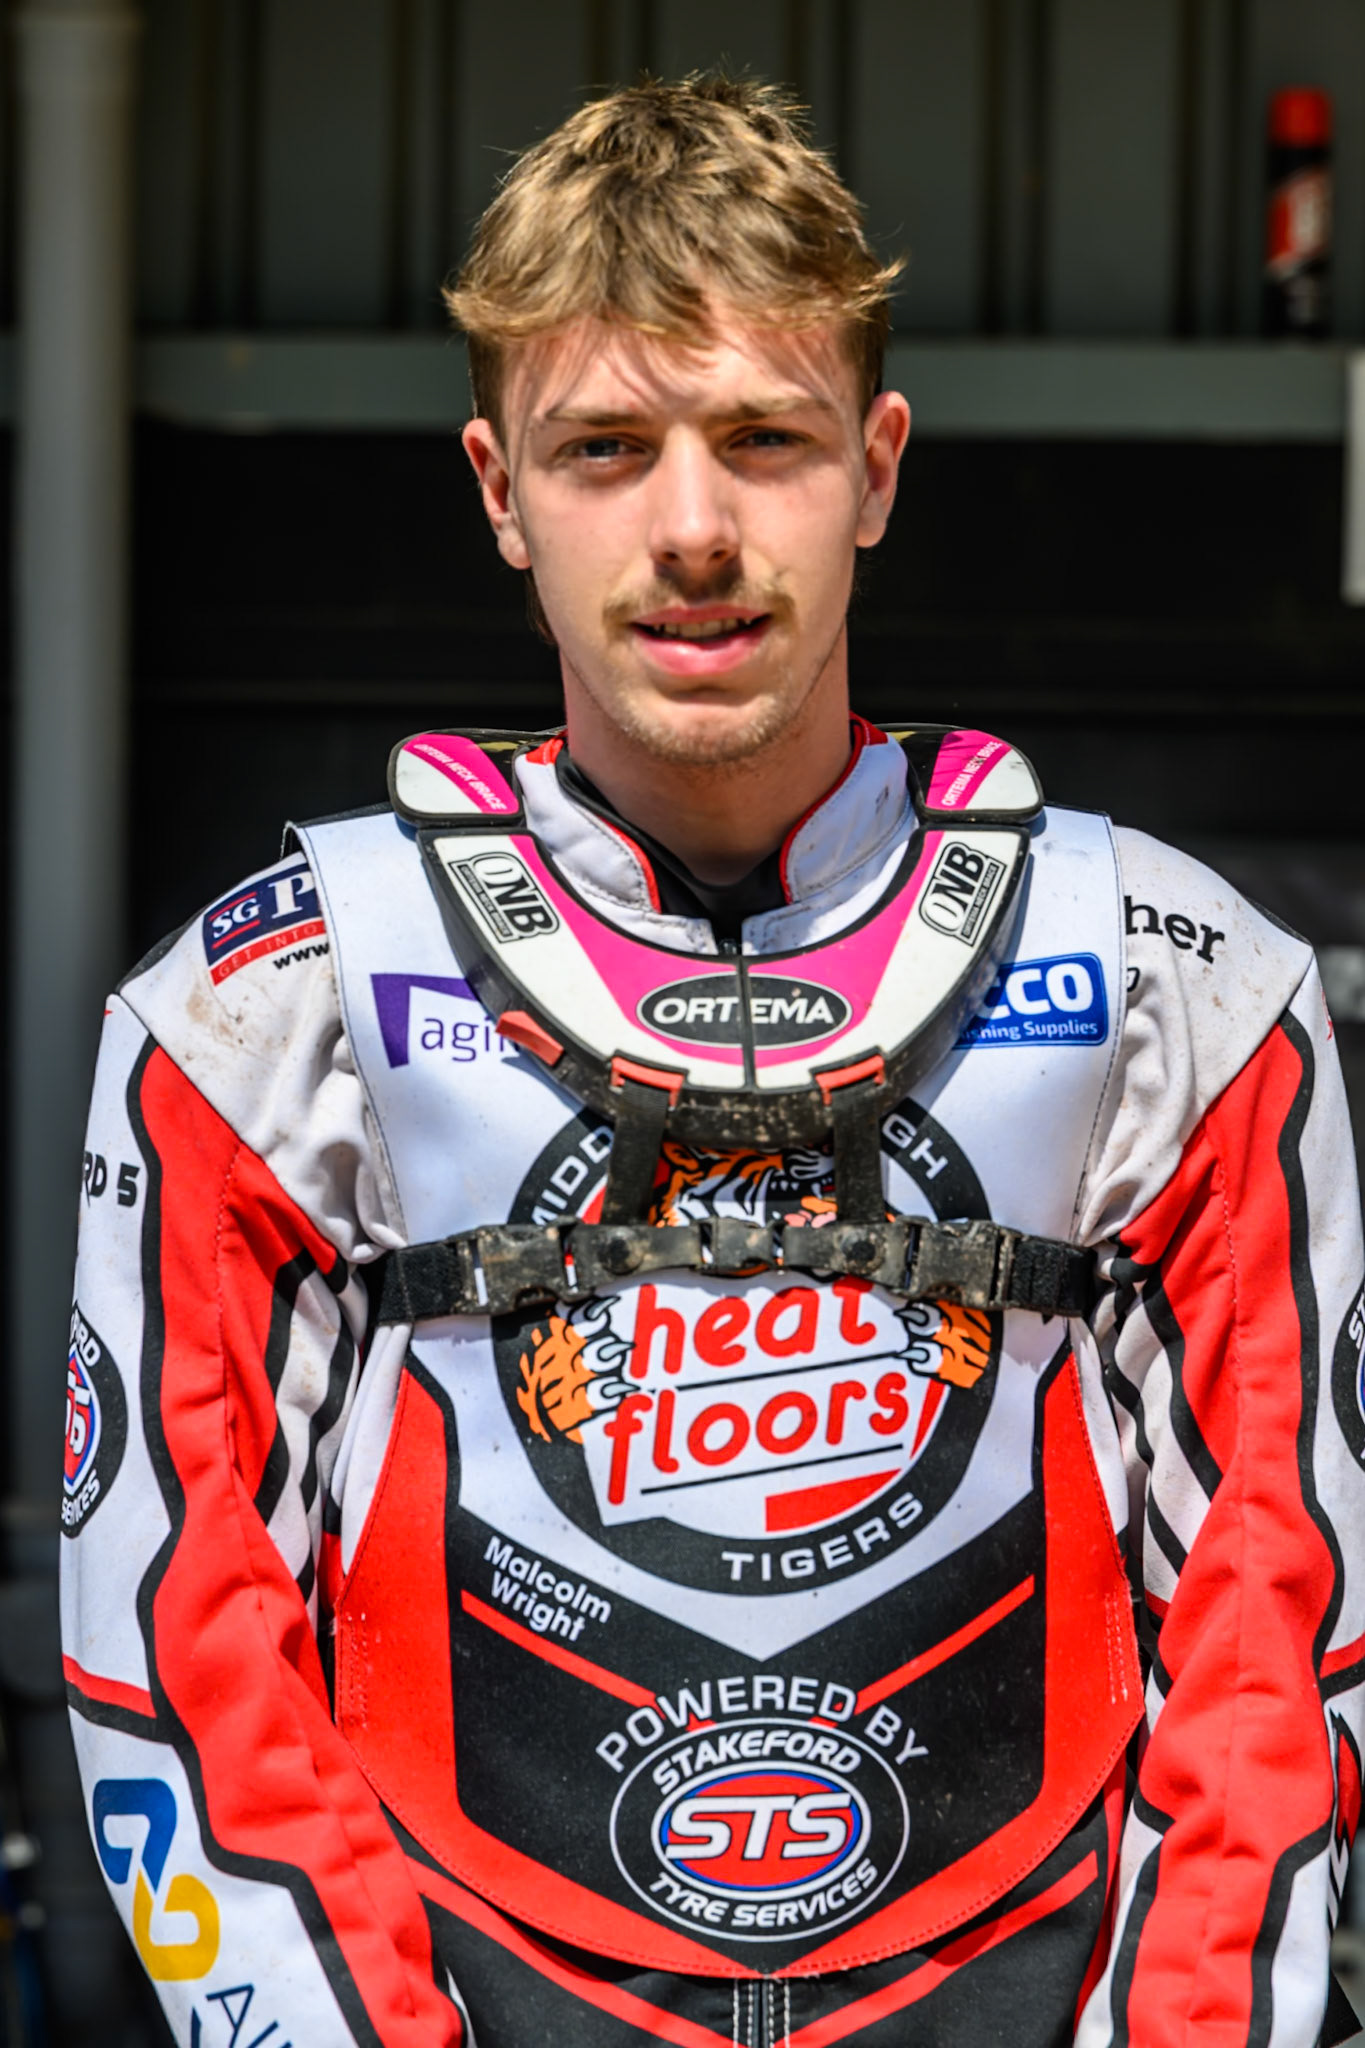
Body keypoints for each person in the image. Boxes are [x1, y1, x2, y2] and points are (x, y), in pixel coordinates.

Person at [61, 73, 1365, 2048]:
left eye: (762, 437)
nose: (691, 527)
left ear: (878, 466)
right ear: (498, 487)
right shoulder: (268, 1010)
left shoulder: (1170, 982)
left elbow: (1274, 1627)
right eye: (606, 447)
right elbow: (179, 1637)